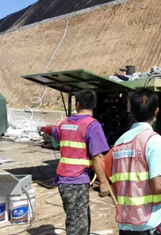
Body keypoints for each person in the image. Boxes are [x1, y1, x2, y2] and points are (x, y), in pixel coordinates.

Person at [101, 88, 161, 235]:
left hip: (126, 225)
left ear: (131, 111)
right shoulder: (154, 141)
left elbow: (115, 183)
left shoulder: (119, 143)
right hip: (151, 223)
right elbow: (158, 186)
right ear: (157, 111)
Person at [52, 89, 110, 235]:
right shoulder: (92, 125)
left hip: (64, 181)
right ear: (94, 105)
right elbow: (97, 157)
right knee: (78, 224)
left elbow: (55, 136)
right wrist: (103, 183)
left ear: (77, 104)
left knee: (77, 217)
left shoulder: (63, 124)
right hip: (77, 181)